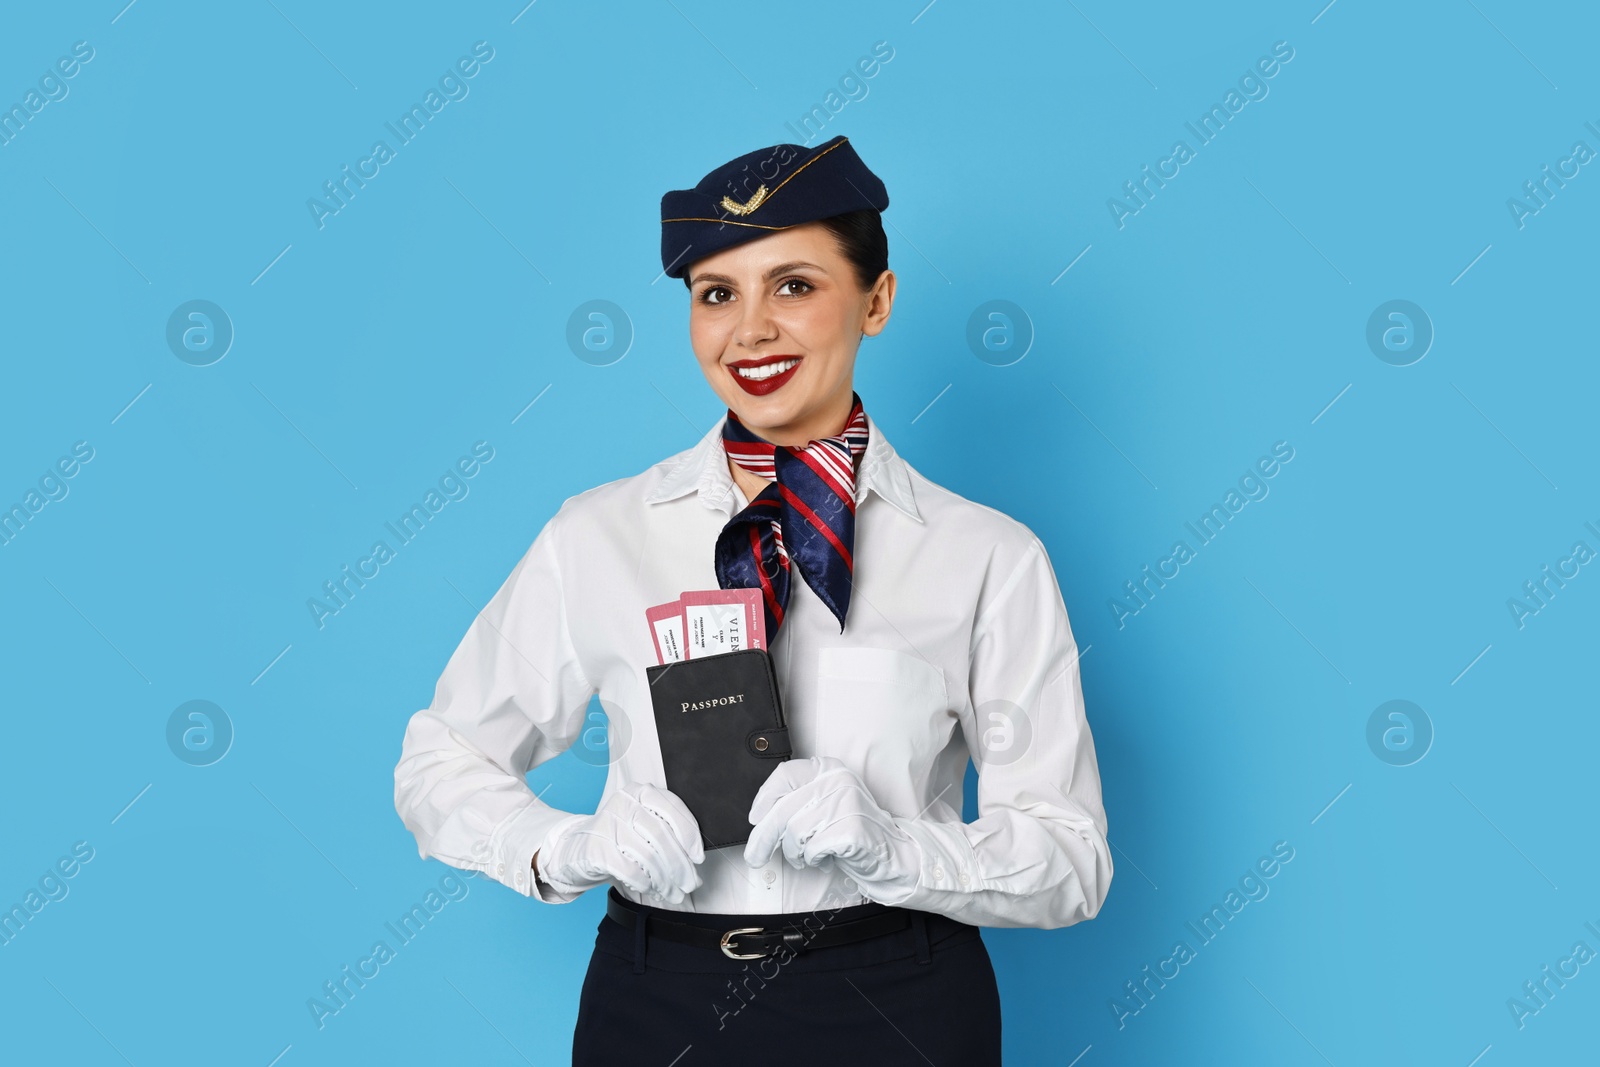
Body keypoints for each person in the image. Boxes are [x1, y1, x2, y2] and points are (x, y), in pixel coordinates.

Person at [393, 134, 1112, 1064]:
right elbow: (439, 759)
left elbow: (1072, 860)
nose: (751, 329)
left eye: (795, 285)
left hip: (899, 995)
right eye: (717, 294)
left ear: (878, 301)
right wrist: (560, 846)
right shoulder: (596, 536)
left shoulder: (987, 556)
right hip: (658, 1002)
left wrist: (896, 847)